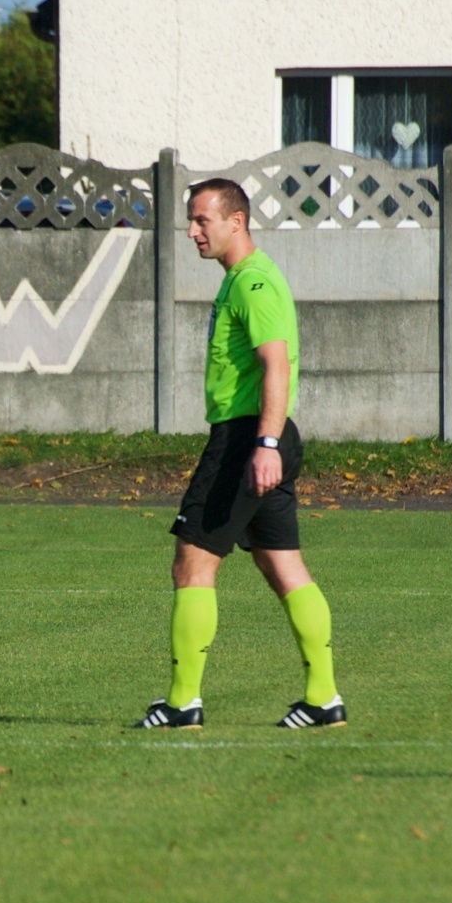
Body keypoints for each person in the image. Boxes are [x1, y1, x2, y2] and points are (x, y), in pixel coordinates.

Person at [134, 178, 345, 730]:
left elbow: (277, 364)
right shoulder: (238, 281)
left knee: (192, 563)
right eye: (191, 219)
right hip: (258, 437)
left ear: (236, 221)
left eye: (202, 220)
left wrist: (266, 444)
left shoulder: (253, 284)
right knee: (284, 567)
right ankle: (323, 700)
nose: (192, 231)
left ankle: (182, 705)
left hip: (247, 439)